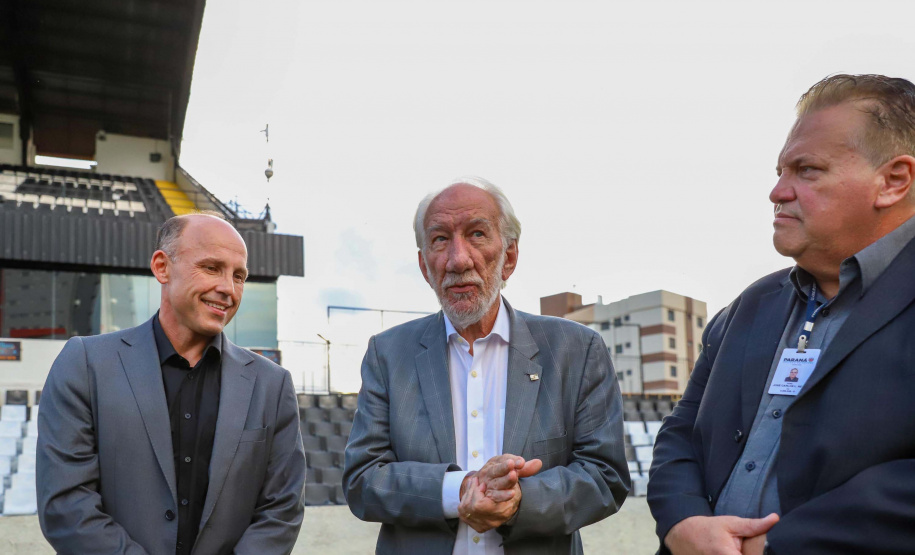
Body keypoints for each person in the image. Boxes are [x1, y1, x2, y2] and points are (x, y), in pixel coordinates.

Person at [648, 74, 915, 555]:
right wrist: (684, 521)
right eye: (779, 171)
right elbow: (681, 431)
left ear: (893, 181)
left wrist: (780, 544)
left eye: (806, 170)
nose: (777, 192)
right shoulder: (752, 305)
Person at [343, 177, 629, 554]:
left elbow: (605, 476)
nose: (458, 259)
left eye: (477, 234)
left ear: (509, 256)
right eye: (440, 239)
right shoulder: (387, 353)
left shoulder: (576, 350)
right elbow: (363, 480)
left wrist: (517, 502)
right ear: (424, 265)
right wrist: (459, 489)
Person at [37, 213, 306, 555]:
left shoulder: (273, 384)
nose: (228, 288)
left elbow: (281, 512)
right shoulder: (86, 363)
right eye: (212, 268)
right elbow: (66, 506)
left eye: (238, 276)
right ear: (162, 267)